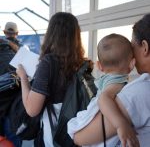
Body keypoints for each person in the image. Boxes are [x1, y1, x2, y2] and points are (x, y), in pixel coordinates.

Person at [73, 13, 150, 147]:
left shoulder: (142, 91)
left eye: (132, 47)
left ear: (144, 47)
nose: (131, 53)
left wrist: (121, 126)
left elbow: (80, 137)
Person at [16, 12, 89, 147]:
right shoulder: (82, 63)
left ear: (52, 34)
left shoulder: (49, 62)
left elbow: (32, 110)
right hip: (76, 130)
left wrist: (23, 77)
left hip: (54, 136)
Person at [67, 33, 139, 147]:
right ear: (132, 64)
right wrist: (121, 124)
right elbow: (103, 99)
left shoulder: (109, 78)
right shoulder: (117, 81)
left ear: (99, 66)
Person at [0, 22, 23, 147]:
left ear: (4, 32)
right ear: (17, 33)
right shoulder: (23, 52)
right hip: (15, 109)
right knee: (14, 141)